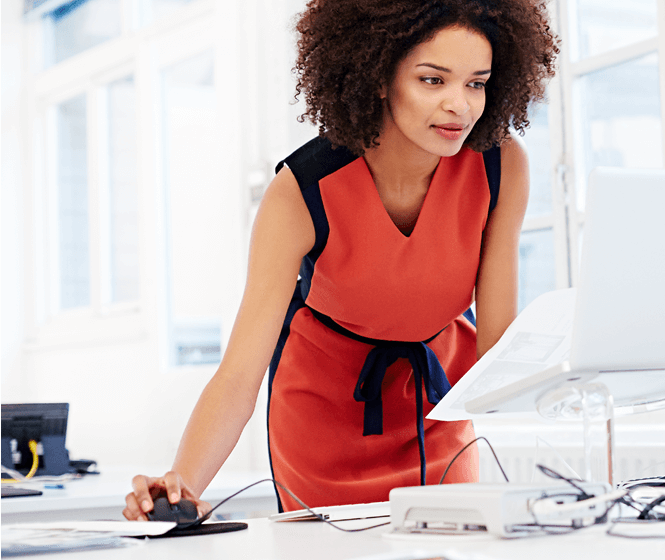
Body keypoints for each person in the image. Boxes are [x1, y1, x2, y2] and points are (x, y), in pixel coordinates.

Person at [122, 0, 557, 520]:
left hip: (436, 412)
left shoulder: (501, 165)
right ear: (378, 76)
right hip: (323, 422)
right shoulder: (300, 193)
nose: (460, 106)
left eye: (476, 83)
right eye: (432, 80)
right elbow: (239, 376)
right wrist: (182, 488)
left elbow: (497, 350)